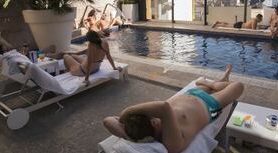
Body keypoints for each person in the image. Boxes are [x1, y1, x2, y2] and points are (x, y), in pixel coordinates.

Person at [103, 65, 244, 153]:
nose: (155, 118)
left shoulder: (137, 133)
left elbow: (107, 121)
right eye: (153, 119)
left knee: (211, 86)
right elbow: (163, 107)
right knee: (238, 86)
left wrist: (127, 134)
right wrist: (127, 112)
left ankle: (216, 81)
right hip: (209, 105)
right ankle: (214, 83)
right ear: (154, 124)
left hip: (190, 94)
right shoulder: (172, 144)